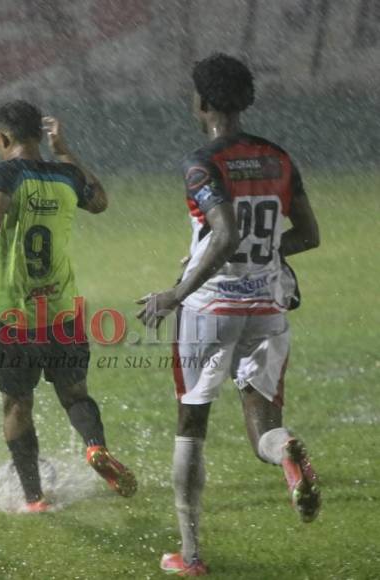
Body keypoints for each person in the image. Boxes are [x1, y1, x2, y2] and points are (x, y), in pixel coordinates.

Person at [136, 54, 321, 575]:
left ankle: (191, 555)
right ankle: (286, 452)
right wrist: (268, 255)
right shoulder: (278, 158)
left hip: (210, 308)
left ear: (203, 102)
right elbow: (308, 234)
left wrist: (176, 292)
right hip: (267, 307)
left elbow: (225, 233)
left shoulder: (203, 163)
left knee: (191, 423)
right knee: (264, 426)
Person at [0, 100, 136, 512]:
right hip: (62, 314)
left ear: (3, 138)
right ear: (39, 135)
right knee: (75, 394)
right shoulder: (66, 176)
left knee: (17, 404)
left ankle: (34, 498)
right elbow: (100, 201)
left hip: (13, 316)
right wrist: (65, 150)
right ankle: (95, 447)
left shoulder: (1, 174)